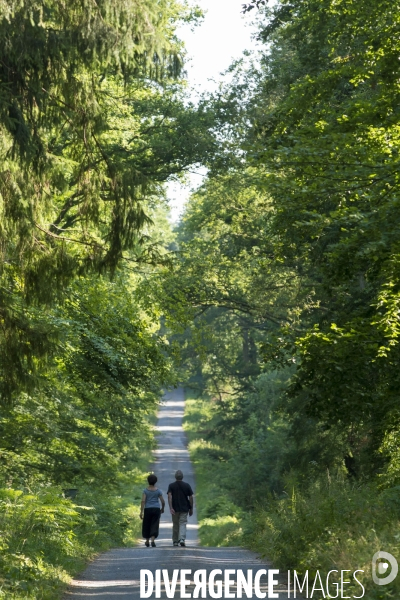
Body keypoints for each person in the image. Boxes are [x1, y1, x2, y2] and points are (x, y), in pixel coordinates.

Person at [167, 469, 194, 547]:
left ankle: (175, 541)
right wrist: (191, 508)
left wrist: (171, 507)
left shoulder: (171, 485)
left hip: (174, 508)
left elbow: (169, 496)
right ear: (182, 477)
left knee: (175, 524)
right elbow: (191, 497)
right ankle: (182, 539)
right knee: (182, 523)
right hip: (184, 508)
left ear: (175, 477)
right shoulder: (187, 485)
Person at [140, 474, 165, 547]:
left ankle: (147, 541)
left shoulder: (145, 491)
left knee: (146, 524)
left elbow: (143, 501)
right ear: (155, 481)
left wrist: (141, 512)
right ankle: (153, 540)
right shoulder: (158, 491)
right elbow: (163, 501)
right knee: (154, 524)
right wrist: (162, 508)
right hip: (156, 509)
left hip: (147, 509)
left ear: (148, 481)